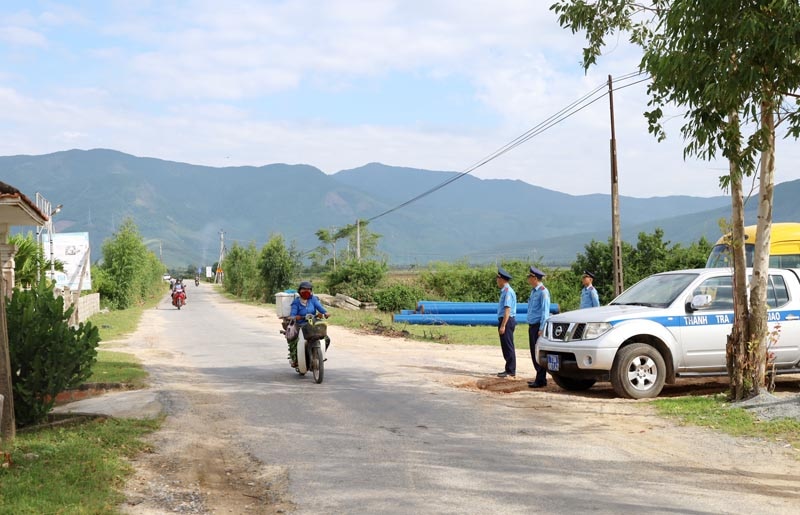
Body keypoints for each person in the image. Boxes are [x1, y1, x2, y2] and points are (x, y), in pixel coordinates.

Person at [287, 281, 329, 367]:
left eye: (308, 290)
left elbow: (320, 308)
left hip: (312, 324)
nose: (306, 291)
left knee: (327, 339)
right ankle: (295, 359)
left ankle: (321, 355)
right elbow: (293, 314)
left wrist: (325, 313)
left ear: (311, 291)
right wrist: (294, 317)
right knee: (294, 341)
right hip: (301, 325)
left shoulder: (313, 299)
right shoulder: (296, 302)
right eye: (304, 289)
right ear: (299, 291)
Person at [526, 266, 551, 388]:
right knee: (533, 352)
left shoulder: (543, 292)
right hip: (532, 325)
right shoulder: (534, 291)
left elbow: (545, 312)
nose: (528, 279)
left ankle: (541, 379)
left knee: (538, 353)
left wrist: (542, 328)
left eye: (529, 277)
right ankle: (539, 377)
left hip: (537, 327)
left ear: (535, 278)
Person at [495, 267, 517, 378]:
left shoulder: (508, 292)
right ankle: (508, 368)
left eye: (497, 278)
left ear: (502, 279)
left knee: (508, 345)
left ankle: (510, 370)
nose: (497, 280)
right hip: (505, 320)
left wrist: (503, 325)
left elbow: (507, 309)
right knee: (506, 345)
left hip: (507, 321)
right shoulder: (505, 291)